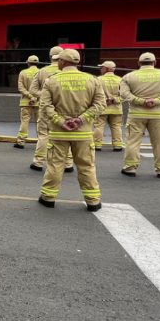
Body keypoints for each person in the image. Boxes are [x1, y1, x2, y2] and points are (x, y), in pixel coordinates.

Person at [37, 49, 106, 211]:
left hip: (58, 132)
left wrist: (60, 122)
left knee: (55, 165)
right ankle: (93, 201)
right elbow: (100, 105)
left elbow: (45, 106)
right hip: (83, 133)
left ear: (62, 62)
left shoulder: (51, 81)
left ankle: (48, 198)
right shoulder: (92, 80)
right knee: (87, 166)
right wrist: (81, 119)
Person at [119, 52, 160, 178]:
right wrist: (156, 101)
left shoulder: (129, 76)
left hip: (136, 114)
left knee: (133, 142)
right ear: (155, 63)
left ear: (139, 63)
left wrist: (141, 101)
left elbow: (124, 94)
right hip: (158, 115)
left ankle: (130, 168)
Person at [29, 46, 70, 172]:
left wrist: (47, 95)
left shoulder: (42, 72)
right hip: (64, 108)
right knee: (67, 136)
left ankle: (39, 163)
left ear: (50, 57)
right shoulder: (68, 73)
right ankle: (68, 164)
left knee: (43, 135)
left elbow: (33, 90)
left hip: (46, 108)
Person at [93, 61, 124, 152]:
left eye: (101, 68)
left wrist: (104, 100)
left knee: (99, 126)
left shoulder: (98, 79)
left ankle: (97, 145)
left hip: (102, 108)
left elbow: (94, 94)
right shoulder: (120, 80)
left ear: (106, 69)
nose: (100, 69)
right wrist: (115, 99)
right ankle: (117, 145)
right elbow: (125, 95)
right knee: (116, 127)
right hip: (116, 109)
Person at [15, 56, 40, 149]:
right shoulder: (42, 73)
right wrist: (35, 97)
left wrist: (30, 96)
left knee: (25, 121)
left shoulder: (23, 72)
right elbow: (44, 88)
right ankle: (41, 142)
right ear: (37, 63)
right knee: (40, 122)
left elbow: (21, 88)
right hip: (39, 102)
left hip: (26, 102)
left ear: (28, 63)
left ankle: (21, 141)